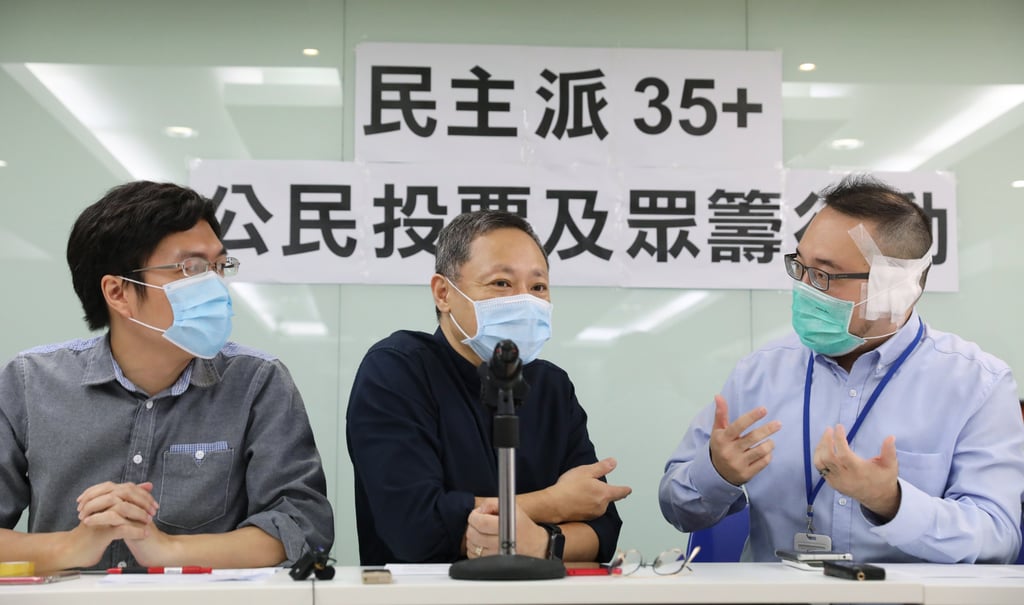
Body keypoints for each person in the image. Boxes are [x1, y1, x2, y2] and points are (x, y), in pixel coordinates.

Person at [659, 174, 1024, 564]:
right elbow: (677, 508)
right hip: (779, 593)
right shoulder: (760, 373)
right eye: (800, 267)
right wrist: (717, 473)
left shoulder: (977, 385)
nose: (804, 288)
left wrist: (891, 502)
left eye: (824, 275)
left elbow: (997, 537)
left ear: (895, 288)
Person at [0, 181, 333, 571]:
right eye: (191, 268)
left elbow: (299, 524)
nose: (214, 284)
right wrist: (70, 547)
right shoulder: (30, 383)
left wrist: (168, 550)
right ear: (118, 292)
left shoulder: (257, 382)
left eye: (218, 266)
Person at [346, 209, 631, 565]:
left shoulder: (552, 386)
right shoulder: (397, 369)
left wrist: (543, 544)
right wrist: (553, 503)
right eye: (501, 283)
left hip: (542, 590)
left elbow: (600, 526)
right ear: (443, 293)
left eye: (538, 287)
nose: (524, 299)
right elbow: (414, 526)